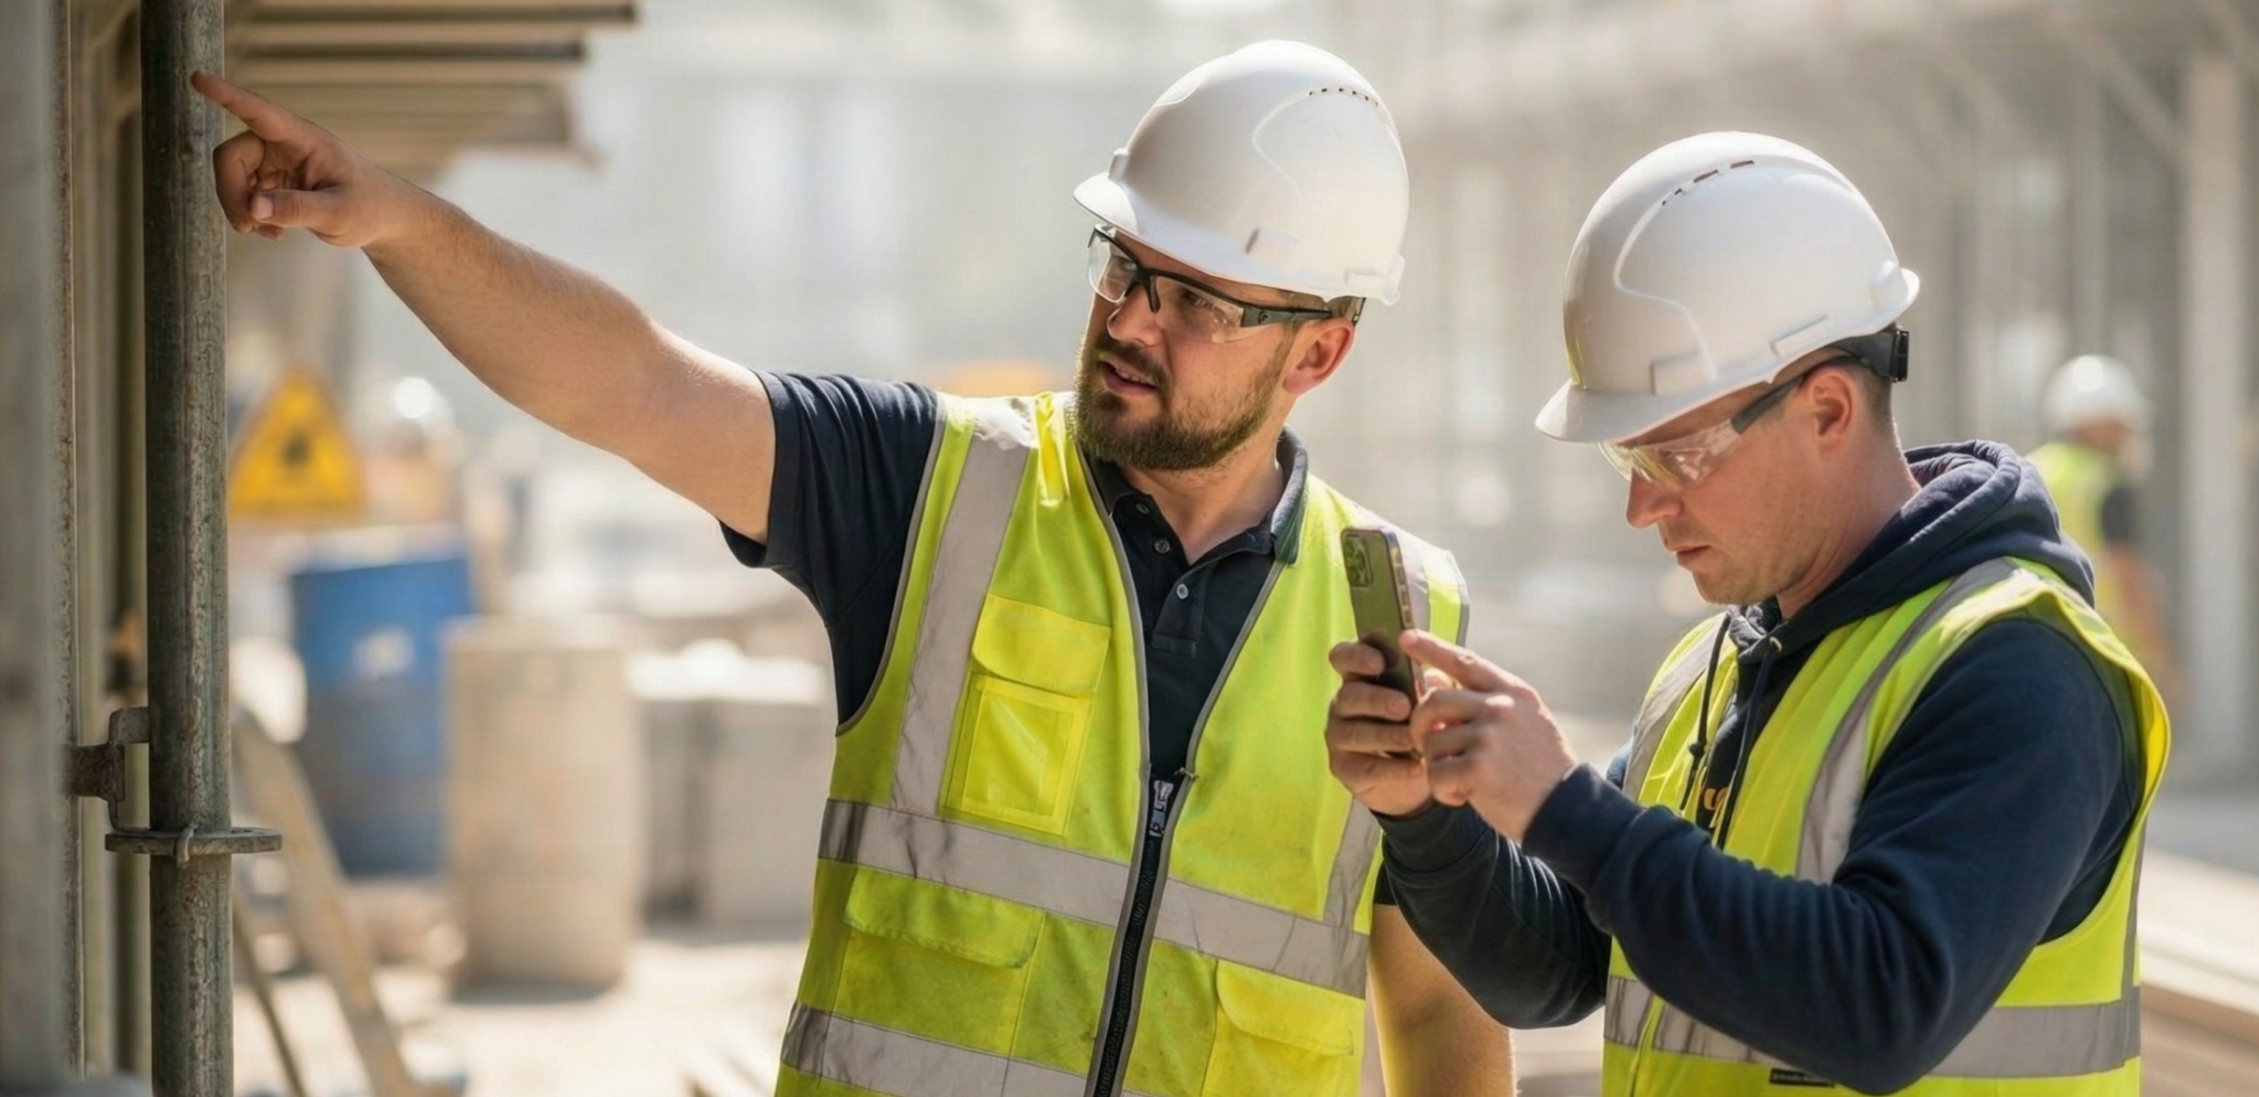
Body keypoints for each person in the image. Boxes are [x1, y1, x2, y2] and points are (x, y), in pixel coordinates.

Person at [196, 39, 1510, 1097]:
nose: (1129, 319)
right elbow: (639, 385)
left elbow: (1445, 1020)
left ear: (1318, 353)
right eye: (1125, 266)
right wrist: (395, 221)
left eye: (1198, 303)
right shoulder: (931, 488)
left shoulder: (1403, 616)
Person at [1324, 132, 2170, 1095]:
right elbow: (1555, 967)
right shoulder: (1717, 663)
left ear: (1827, 410)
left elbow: (1878, 1006)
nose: (1642, 506)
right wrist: (1428, 815)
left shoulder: (2018, 670)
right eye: (1627, 461)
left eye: (1675, 455)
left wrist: (1566, 807)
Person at [2027, 355, 2185, 705]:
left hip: (2034, 640)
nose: (2127, 434)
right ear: (2093, 424)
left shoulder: (2031, 468)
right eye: (2120, 423)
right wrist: (2162, 659)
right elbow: (2128, 576)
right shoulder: (2106, 484)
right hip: (2101, 647)